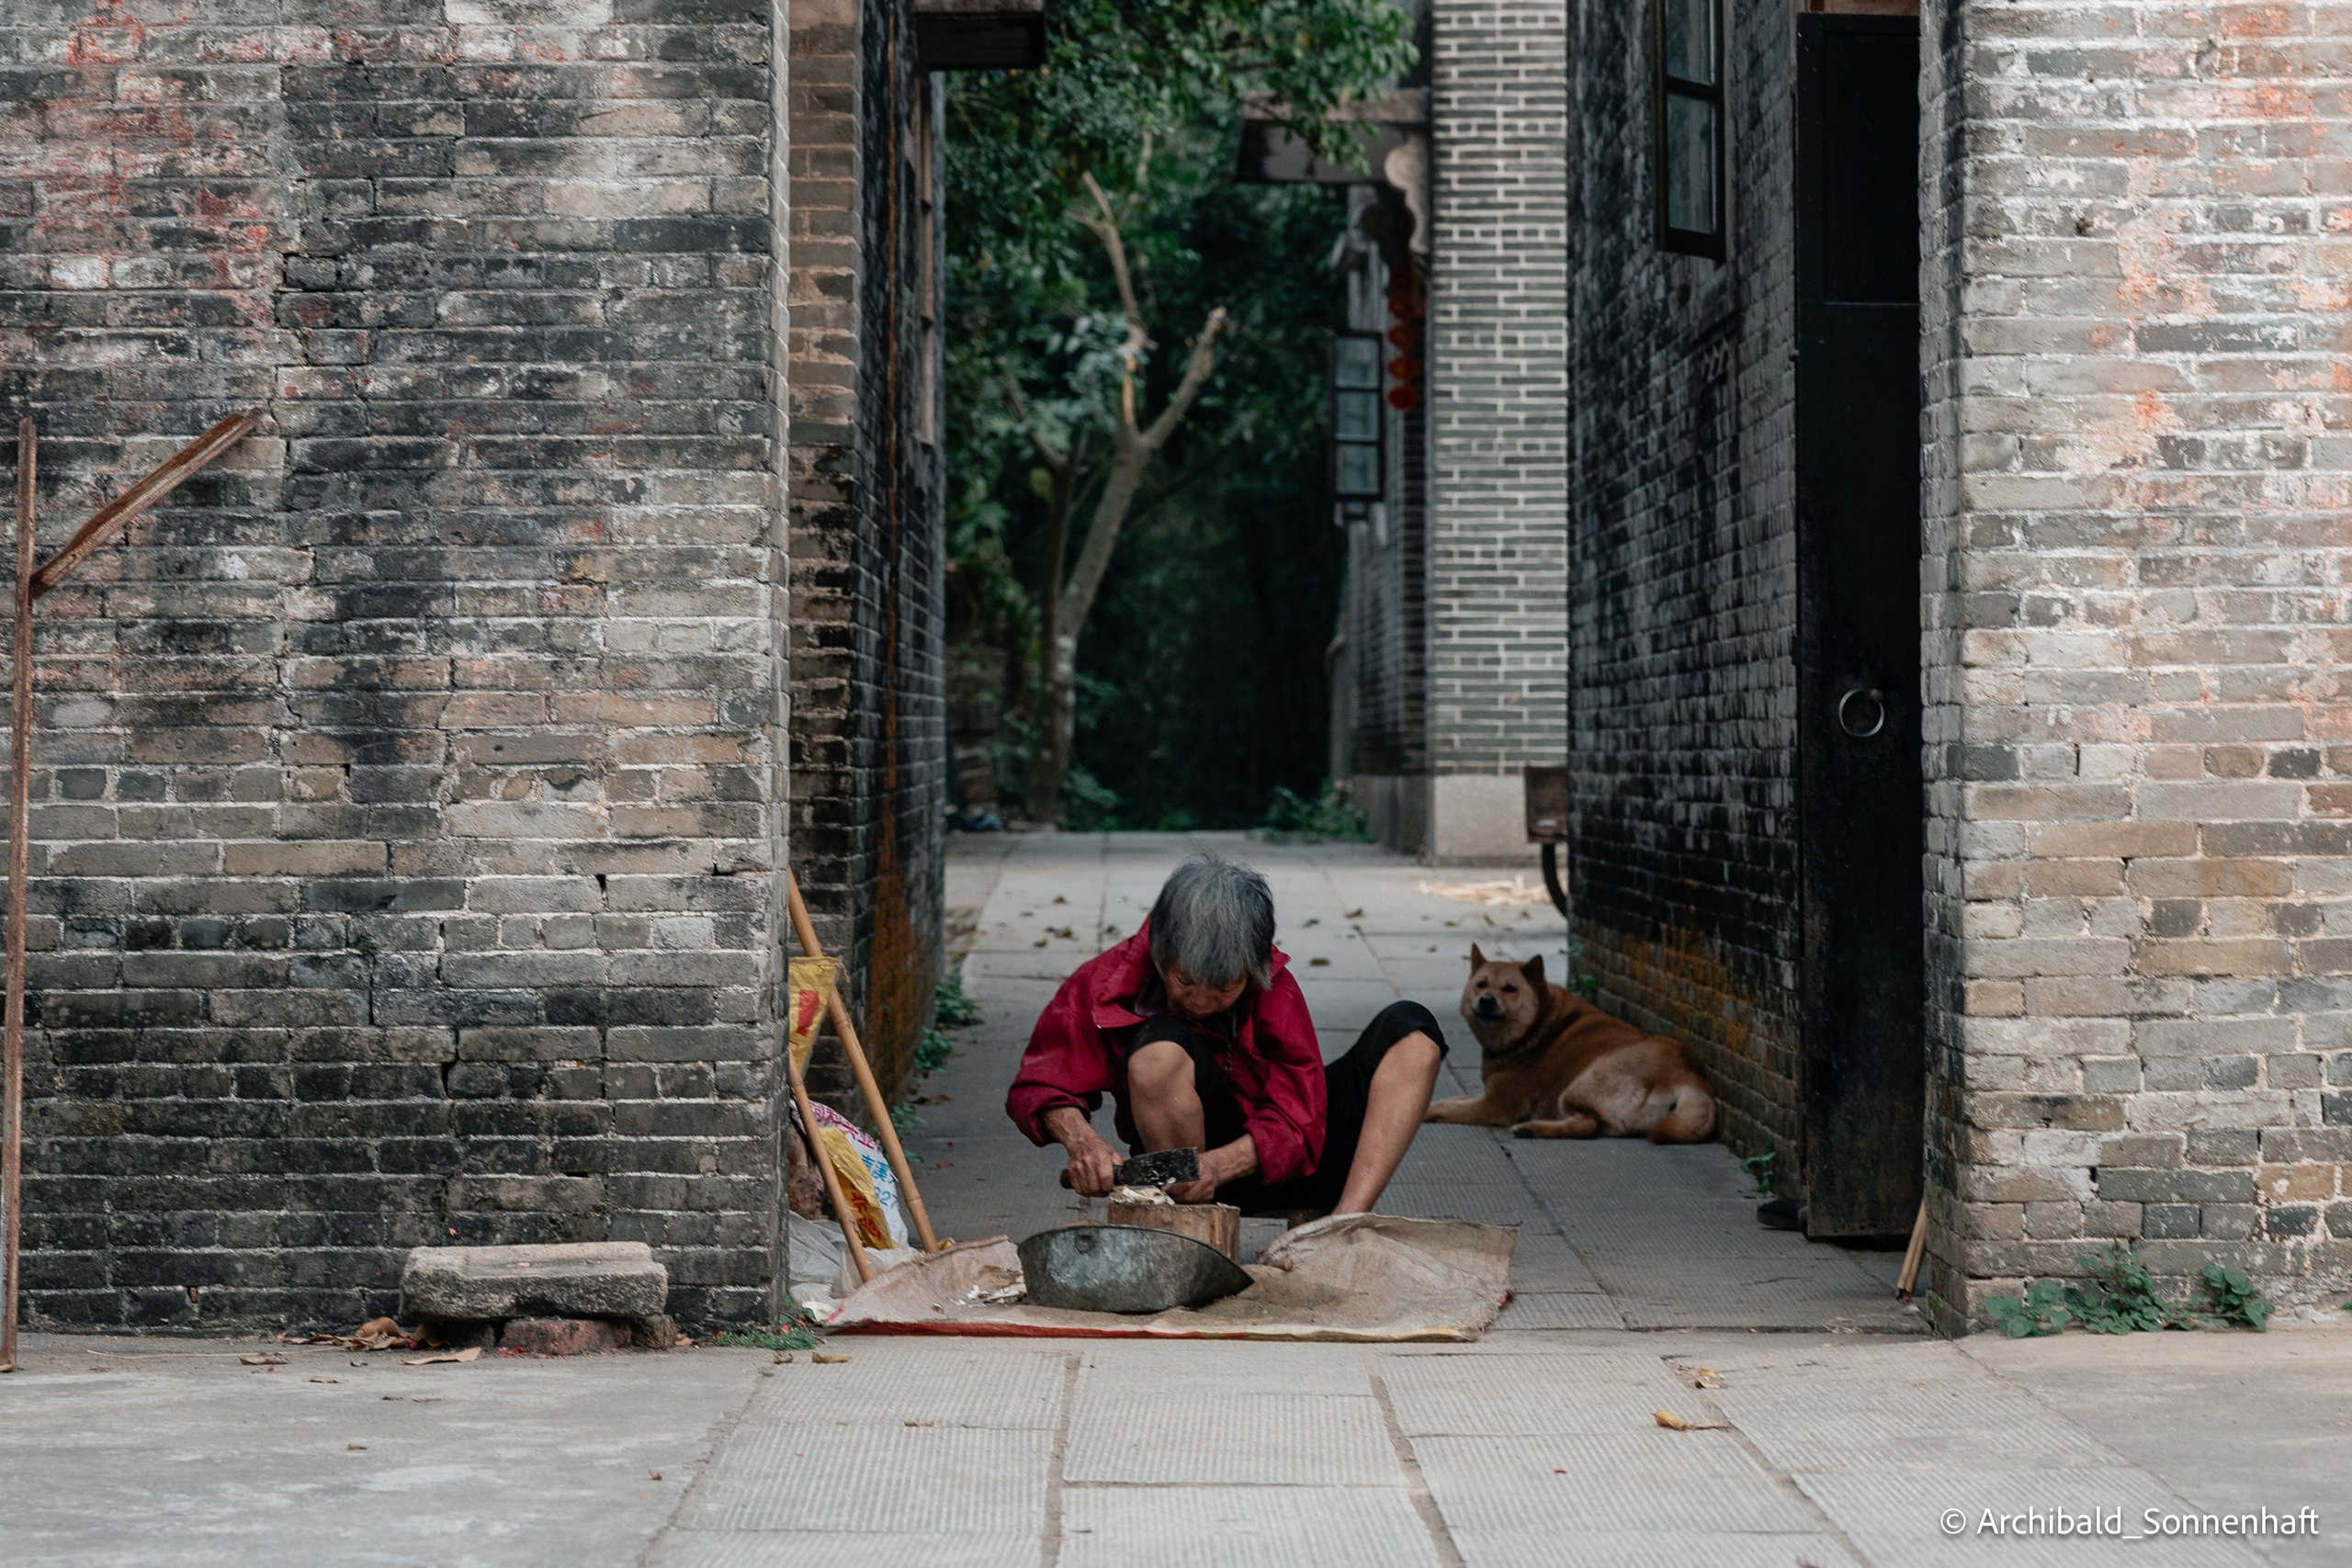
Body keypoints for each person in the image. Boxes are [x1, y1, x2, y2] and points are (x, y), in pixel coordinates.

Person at [1004, 853, 1446, 1214]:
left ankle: (1343, 1225)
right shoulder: (1104, 980)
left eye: (1225, 988)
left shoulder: (1274, 987)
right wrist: (1084, 1142)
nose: (1200, 1001)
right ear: (1159, 953)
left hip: (1298, 1164)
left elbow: (1301, 1115)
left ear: (1254, 968)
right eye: (1185, 981)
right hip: (1185, 1181)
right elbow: (1041, 1084)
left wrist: (1219, 1165)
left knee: (1411, 1030)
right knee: (1159, 1051)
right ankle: (1188, 1226)